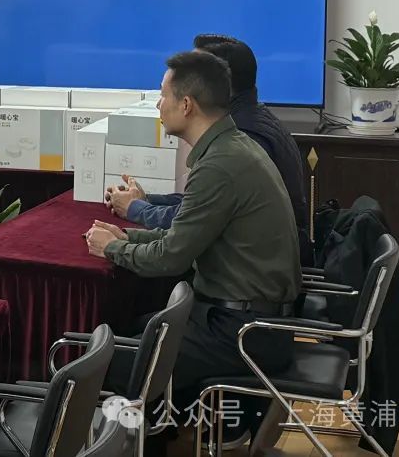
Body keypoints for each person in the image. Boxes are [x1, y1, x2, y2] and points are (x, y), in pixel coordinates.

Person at [86, 50, 301, 442]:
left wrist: (112, 249)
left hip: (243, 333)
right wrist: (127, 237)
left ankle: (129, 444)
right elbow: (186, 233)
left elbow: (171, 257)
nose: (158, 104)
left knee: (110, 361)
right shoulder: (232, 147)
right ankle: (157, 438)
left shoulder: (220, 164)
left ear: (186, 104)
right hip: (244, 318)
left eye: (163, 95)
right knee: (135, 329)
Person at [105, 35, 313, 264]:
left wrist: (129, 220)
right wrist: (145, 204)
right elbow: (199, 206)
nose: (158, 104)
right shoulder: (239, 132)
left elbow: (175, 248)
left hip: (245, 280)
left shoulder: (236, 147)